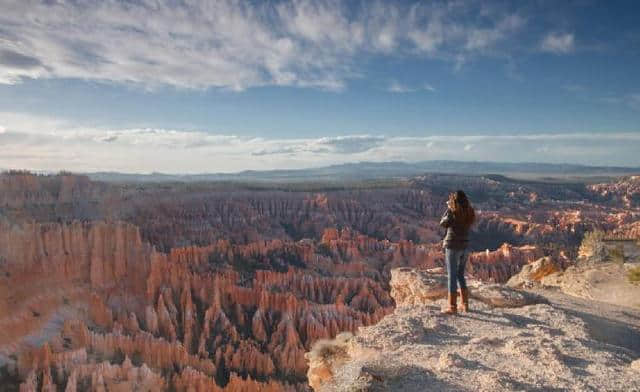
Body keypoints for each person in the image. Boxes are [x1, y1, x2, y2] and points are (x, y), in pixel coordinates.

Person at [439, 190, 475, 314]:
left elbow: (443, 223)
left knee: (452, 276)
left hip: (452, 246)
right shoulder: (469, 211)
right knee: (460, 274)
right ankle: (465, 304)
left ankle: (452, 307)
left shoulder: (452, 212)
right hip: (465, 246)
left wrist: (448, 208)